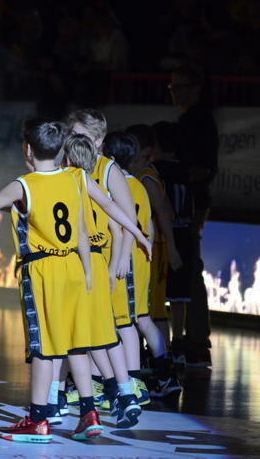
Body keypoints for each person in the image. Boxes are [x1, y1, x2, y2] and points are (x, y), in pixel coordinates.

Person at [0, 120, 108, 442]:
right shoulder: (74, 179)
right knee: (76, 345)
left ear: (27, 149)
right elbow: (82, 229)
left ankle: (38, 420)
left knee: (43, 349)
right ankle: (90, 413)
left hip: (44, 272)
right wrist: (87, 273)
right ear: (60, 150)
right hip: (74, 267)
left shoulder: (24, 184)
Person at [58, 134, 147, 428]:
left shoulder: (62, 182)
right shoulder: (90, 183)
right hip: (99, 264)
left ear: (66, 159)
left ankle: (59, 400)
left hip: (76, 265)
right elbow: (114, 216)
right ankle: (124, 392)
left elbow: (9, 203)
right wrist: (139, 236)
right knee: (105, 335)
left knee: (72, 339)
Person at [107, 130, 182, 398]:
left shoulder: (121, 186)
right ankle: (164, 372)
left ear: (110, 159)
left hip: (125, 258)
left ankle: (137, 380)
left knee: (127, 322)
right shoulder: (138, 183)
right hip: (141, 257)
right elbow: (148, 224)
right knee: (142, 318)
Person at [169, 65, 216, 368]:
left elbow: (205, 168)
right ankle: (193, 339)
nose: (174, 92)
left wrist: (176, 173)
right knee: (189, 271)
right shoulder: (192, 120)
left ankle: (196, 341)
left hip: (190, 206)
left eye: (178, 86)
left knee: (190, 272)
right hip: (189, 205)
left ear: (195, 88)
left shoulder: (198, 122)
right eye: (171, 87)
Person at [152, 120, 199, 366]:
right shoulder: (185, 170)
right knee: (181, 294)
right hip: (186, 232)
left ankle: (161, 349)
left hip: (164, 236)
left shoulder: (155, 170)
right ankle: (178, 342)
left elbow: (163, 208)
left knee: (159, 293)